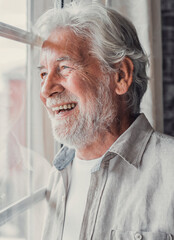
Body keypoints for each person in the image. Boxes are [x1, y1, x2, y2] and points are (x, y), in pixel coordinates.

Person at [35, 1, 174, 239]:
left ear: (120, 76)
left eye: (64, 67)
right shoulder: (58, 173)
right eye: (43, 73)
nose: (46, 90)